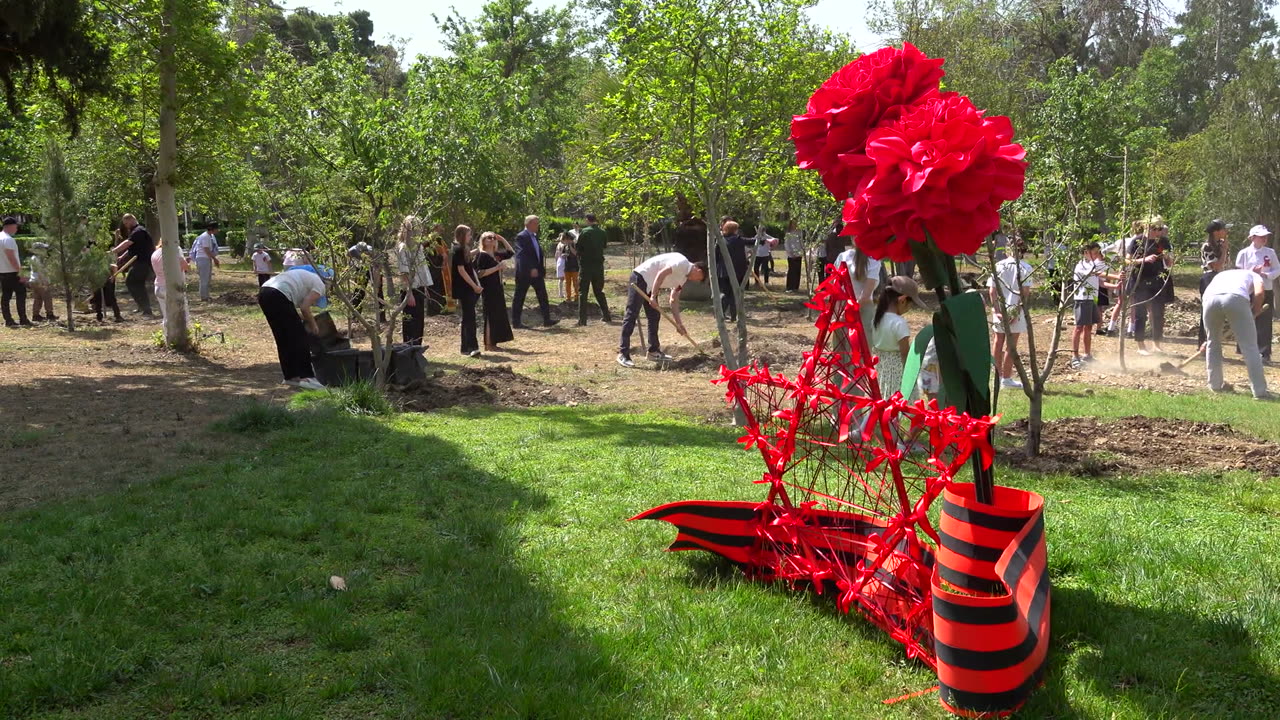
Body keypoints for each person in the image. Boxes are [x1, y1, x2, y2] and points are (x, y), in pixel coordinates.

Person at [617, 252, 707, 368]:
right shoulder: (682, 263)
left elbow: (673, 300)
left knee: (654, 316)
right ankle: (623, 354)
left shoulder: (683, 278)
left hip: (650, 285)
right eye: (699, 279)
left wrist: (679, 324)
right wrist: (653, 296)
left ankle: (653, 351)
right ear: (699, 271)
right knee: (631, 315)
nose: (696, 281)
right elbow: (661, 274)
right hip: (640, 278)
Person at [1202, 268, 1271, 399]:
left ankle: (1215, 385)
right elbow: (1260, 293)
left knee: (1213, 343)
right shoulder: (1255, 275)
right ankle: (1260, 392)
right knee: (1250, 347)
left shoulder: (1224, 273)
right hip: (1235, 297)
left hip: (1209, 300)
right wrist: (1255, 312)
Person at [258, 264, 326, 390]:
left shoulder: (304, 279)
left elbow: (293, 311)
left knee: (283, 338)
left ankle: (290, 376)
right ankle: (307, 377)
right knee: (299, 337)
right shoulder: (320, 284)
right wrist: (313, 324)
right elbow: (305, 308)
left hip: (264, 292)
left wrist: (305, 319)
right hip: (279, 294)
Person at [870, 276, 925, 398]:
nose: (908, 309)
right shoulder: (899, 323)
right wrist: (910, 374)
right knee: (899, 401)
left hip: (880, 365)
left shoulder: (877, 318)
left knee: (883, 397)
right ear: (903, 300)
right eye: (909, 306)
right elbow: (904, 353)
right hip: (897, 369)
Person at [989, 242, 1034, 388]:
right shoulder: (1026, 267)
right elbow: (1024, 293)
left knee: (997, 342)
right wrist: (1016, 311)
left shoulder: (998, 266)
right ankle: (1006, 379)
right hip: (1016, 310)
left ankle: (996, 376)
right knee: (1011, 345)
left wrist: (996, 310)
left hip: (1000, 309)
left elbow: (992, 291)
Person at [1127, 217, 1173, 355]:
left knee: (1158, 313)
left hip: (1158, 280)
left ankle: (1156, 344)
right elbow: (1127, 260)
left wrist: (1167, 257)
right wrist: (1143, 260)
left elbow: (1170, 262)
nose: (1158, 232)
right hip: (1140, 281)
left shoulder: (1164, 241)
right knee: (1140, 314)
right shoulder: (1137, 241)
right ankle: (1141, 345)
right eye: (1155, 229)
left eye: (1160, 229)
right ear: (1148, 227)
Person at [1070, 242, 1120, 367]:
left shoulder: (1093, 264)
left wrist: (1115, 285)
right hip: (1082, 299)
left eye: (1098, 252)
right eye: (1095, 252)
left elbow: (1101, 283)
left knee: (1089, 327)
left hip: (1093, 299)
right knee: (1079, 328)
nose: (1098, 255)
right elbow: (1097, 273)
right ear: (1086, 252)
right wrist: (1117, 276)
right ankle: (1074, 357)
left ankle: (1087, 355)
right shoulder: (1081, 265)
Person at [1235, 225, 1279, 361]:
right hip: (1248, 290)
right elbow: (1238, 271)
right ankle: (1243, 348)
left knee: (1264, 321)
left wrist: (1266, 274)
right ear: (1252, 238)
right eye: (1260, 236)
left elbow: (1277, 269)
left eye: (1265, 236)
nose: (1264, 238)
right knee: (1246, 318)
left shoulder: (1270, 252)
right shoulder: (1244, 253)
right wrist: (1251, 272)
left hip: (1265, 289)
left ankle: (1264, 352)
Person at [395, 215, 434, 347]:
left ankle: (417, 349)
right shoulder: (403, 247)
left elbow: (422, 269)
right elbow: (403, 272)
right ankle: (409, 350)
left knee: (419, 322)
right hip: (410, 290)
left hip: (420, 287)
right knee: (410, 322)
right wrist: (409, 293)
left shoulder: (418, 247)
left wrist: (426, 287)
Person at [475, 231, 516, 351]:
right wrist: (497, 268)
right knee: (490, 314)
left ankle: (494, 341)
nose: (492, 239)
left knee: (498, 314)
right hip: (488, 288)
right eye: (489, 238)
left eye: (493, 238)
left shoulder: (495, 254)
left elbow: (510, 252)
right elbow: (480, 273)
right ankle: (488, 344)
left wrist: (502, 238)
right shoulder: (482, 255)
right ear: (483, 241)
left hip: (497, 287)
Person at [511, 215, 554, 328]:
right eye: (536, 223)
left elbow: (537, 254)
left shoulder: (535, 236)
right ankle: (516, 322)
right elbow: (522, 255)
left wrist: (540, 269)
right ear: (528, 224)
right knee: (519, 296)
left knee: (543, 296)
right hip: (525, 273)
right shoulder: (521, 236)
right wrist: (531, 268)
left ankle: (547, 320)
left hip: (537, 273)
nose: (538, 225)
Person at [112, 214, 156, 316]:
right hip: (138, 262)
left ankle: (146, 310)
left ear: (132, 220)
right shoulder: (135, 232)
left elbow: (127, 243)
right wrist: (122, 256)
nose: (126, 226)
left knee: (132, 282)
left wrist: (113, 251)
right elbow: (131, 247)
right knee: (136, 284)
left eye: (126, 223)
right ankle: (143, 307)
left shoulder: (139, 231)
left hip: (143, 263)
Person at [451, 225, 483, 357]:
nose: (470, 237)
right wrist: (474, 286)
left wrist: (477, 250)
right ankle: (472, 346)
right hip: (465, 288)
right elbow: (461, 270)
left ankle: (465, 347)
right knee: (470, 318)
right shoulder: (458, 249)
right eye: (468, 235)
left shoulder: (462, 249)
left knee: (467, 317)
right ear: (462, 235)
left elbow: (466, 257)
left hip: (468, 288)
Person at [835, 242, 881, 334]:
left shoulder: (873, 259)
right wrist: (837, 313)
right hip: (852, 308)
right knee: (860, 345)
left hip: (859, 308)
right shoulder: (843, 256)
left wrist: (842, 313)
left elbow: (865, 295)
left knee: (846, 345)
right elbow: (836, 286)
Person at [576, 213, 611, 326]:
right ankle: (606, 315)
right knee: (599, 291)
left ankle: (582, 320)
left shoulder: (584, 231)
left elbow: (578, 247)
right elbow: (605, 246)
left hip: (586, 266)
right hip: (598, 266)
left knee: (583, 292)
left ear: (587, 220)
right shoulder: (602, 232)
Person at [0, 216, 32, 327]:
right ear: (9, 226)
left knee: (6, 296)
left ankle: (8, 320)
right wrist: (21, 273)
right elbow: (11, 258)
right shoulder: (8, 239)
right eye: (15, 226)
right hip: (12, 272)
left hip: (3, 272)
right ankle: (23, 319)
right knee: (21, 295)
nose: (17, 229)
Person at [715, 220, 749, 321]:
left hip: (722, 272)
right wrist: (764, 240)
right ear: (734, 230)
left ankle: (720, 314)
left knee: (725, 293)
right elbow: (751, 241)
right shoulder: (737, 239)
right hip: (735, 272)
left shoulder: (720, 240)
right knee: (734, 294)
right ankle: (734, 316)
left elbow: (716, 256)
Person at [151, 237, 190, 324]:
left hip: (158, 286)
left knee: (167, 317)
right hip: (171, 287)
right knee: (182, 316)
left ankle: (167, 336)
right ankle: (182, 336)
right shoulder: (175, 249)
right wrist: (188, 265)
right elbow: (184, 266)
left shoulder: (155, 253)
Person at [189, 221, 220, 301]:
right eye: (217, 228)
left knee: (207, 278)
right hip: (203, 259)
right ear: (213, 229)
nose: (218, 230)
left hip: (206, 259)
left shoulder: (210, 236)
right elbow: (206, 250)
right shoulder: (205, 237)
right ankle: (204, 297)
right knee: (204, 278)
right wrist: (215, 259)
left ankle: (206, 295)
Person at [28, 242, 55, 322]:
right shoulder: (38, 258)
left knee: (38, 299)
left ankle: (35, 315)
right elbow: (40, 271)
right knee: (47, 298)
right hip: (40, 281)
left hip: (33, 280)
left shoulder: (33, 257)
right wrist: (44, 282)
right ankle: (50, 315)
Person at [425, 222, 448, 315]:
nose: (442, 227)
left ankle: (440, 307)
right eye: (440, 226)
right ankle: (433, 309)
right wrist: (443, 261)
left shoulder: (438, 238)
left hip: (437, 265)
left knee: (439, 287)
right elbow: (441, 254)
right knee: (434, 287)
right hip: (434, 265)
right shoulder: (432, 238)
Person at [784, 220, 804, 292]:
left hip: (798, 254)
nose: (794, 225)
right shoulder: (788, 233)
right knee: (792, 270)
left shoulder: (799, 232)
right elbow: (787, 244)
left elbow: (801, 242)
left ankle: (796, 287)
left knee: (797, 270)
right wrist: (791, 253)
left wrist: (801, 251)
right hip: (791, 255)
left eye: (796, 223)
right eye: (793, 223)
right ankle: (789, 287)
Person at [562, 233, 580, 303]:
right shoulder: (564, 246)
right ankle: (568, 297)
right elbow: (562, 253)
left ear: (570, 239)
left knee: (575, 282)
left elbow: (575, 253)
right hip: (567, 267)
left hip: (574, 267)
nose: (566, 241)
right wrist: (563, 255)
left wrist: (570, 246)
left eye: (567, 239)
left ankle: (576, 297)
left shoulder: (575, 245)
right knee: (567, 283)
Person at [555, 232, 568, 299]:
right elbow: (563, 255)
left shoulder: (558, 244)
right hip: (563, 261)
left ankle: (561, 293)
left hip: (559, 261)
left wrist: (556, 262)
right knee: (564, 278)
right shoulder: (563, 245)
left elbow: (556, 255)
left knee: (561, 279)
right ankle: (563, 293)